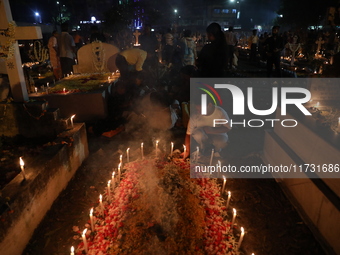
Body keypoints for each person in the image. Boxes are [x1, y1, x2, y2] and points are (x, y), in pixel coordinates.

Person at [183, 95, 231, 159]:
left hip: (217, 134)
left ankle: (216, 151)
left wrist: (212, 130)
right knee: (198, 134)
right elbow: (189, 134)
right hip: (201, 135)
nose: (199, 112)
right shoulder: (195, 115)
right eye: (197, 109)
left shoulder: (220, 112)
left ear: (210, 105)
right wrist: (187, 151)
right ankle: (202, 149)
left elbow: (228, 127)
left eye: (202, 109)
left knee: (221, 142)